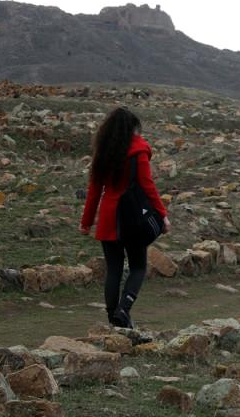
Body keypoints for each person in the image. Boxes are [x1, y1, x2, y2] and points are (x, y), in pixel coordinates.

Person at [79, 107, 170, 328]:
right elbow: (147, 185)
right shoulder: (138, 151)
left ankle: (114, 318)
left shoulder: (103, 153)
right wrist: (163, 215)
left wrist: (86, 222)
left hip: (109, 218)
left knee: (114, 270)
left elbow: (94, 191)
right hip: (132, 218)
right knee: (138, 267)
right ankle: (124, 309)